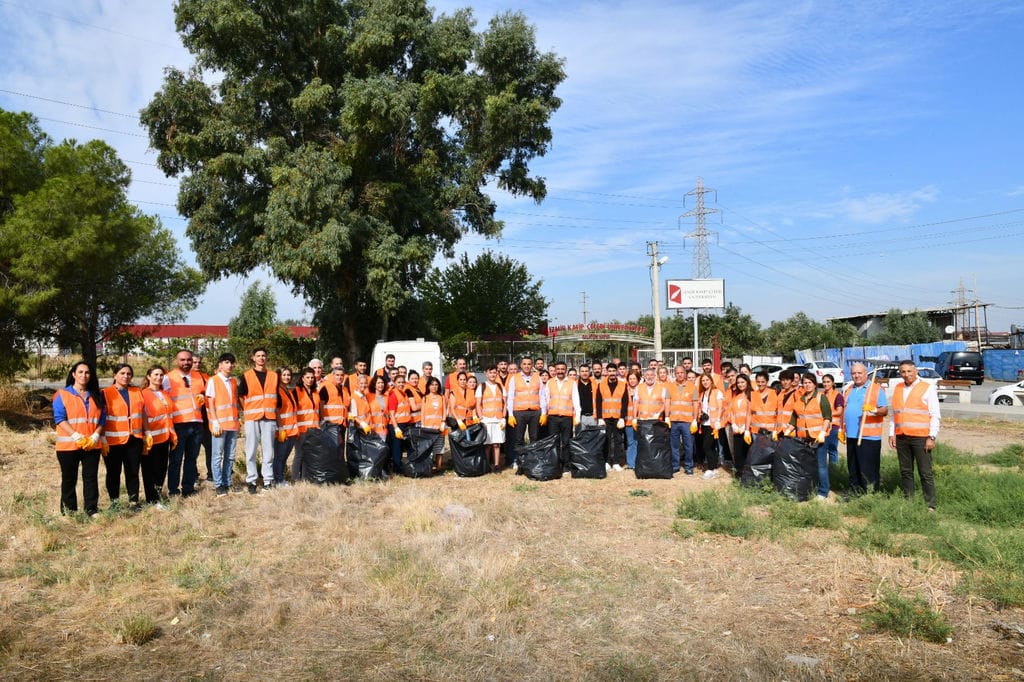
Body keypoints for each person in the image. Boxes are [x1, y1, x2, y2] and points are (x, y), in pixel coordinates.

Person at [53, 361, 105, 516]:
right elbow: (59, 418)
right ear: (74, 374)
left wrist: (96, 435)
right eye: (80, 372)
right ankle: (70, 511)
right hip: (68, 446)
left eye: (87, 372)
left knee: (90, 478)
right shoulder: (62, 394)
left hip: (91, 445)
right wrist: (75, 435)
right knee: (69, 479)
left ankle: (91, 510)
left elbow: (102, 418)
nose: (84, 375)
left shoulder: (97, 395)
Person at [888, 360, 940, 511]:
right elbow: (894, 414)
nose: (906, 375)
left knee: (925, 472)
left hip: (921, 437)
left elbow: (935, 414)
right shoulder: (897, 388)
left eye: (909, 371)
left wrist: (932, 436)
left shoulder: (927, 388)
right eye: (903, 372)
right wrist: (892, 433)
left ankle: (930, 505)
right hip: (902, 437)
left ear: (915, 371)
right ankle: (908, 502)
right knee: (905, 471)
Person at [101, 364, 146, 507]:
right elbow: (100, 417)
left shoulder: (136, 391)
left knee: (132, 471)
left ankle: (134, 501)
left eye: (128, 374)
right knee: (113, 473)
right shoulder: (105, 393)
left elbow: (142, 413)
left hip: (134, 439)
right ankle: (114, 502)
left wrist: (147, 433)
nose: (126, 376)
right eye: (122, 373)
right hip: (113, 441)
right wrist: (102, 438)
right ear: (115, 375)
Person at [164, 350, 207, 498]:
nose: (186, 363)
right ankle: (173, 490)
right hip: (178, 424)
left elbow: (202, 393)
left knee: (191, 458)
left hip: (196, 424)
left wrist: (202, 396)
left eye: (189, 360)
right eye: (182, 360)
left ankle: (188, 488)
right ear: (177, 361)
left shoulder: (197, 377)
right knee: (176, 459)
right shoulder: (168, 378)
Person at [237, 348, 280, 493]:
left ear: (266, 358)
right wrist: (248, 410)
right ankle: (252, 481)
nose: (261, 358)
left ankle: (268, 480)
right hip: (252, 418)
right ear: (253, 358)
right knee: (251, 450)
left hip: (269, 417)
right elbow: (241, 396)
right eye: (258, 356)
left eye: (263, 356)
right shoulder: (246, 375)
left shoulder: (274, 376)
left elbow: (276, 397)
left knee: (268, 451)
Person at [843, 363, 888, 495]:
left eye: (859, 373)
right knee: (853, 467)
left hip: (868, 436)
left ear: (866, 373)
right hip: (852, 435)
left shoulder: (875, 389)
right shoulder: (849, 389)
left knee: (868, 468)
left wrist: (874, 410)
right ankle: (854, 491)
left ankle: (870, 494)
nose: (856, 376)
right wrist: (842, 430)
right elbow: (845, 410)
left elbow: (884, 410)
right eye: (853, 373)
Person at [789, 373, 832, 502]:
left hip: (818, 438)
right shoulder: (800, 400)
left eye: (810, 382)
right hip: (804, 439)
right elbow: (794, 419)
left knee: (821, 465)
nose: (807, 385)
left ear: (814, 384)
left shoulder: (821, 398)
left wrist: (823, 432)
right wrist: (787, 430)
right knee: (807, 465)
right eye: (805, 383)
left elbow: (827, 418)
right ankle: (811, 487)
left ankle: (823, 491)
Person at [206, 353, 240, 496]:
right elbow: (210, 402)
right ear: (220, 365)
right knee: (217, 456)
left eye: (231, 363)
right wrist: (214, 421)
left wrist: (238, 419)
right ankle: (219, 484)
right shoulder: (213, 380)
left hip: (232, 424)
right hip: (219, 424)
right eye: (226, 362)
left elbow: (234, 403)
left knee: (230, 456)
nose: (229, 365)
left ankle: (227, 482)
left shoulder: (233, 381)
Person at [141, 365, 176, 504]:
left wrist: (172, 434)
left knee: (161, 469)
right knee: (150, 470)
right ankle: (151, 499)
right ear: (149, 376)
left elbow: (168, 416)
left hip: (164, 438)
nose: (159, 378)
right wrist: (145, 434)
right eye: (155, 375)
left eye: (161, 375)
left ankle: (158, 495)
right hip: (150, 439)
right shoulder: (143, 394)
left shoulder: (165, 394)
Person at [507, 357, 545, 470]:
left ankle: (533, 460)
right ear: (521, 366)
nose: (527, 366)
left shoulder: (537, 378)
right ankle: (519, 461)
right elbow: (510, 397)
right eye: (524, 364)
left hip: (535, 412)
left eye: (529, 364)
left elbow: (542, 396)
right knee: (519, 439)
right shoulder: (514, 378)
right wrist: (510, 414)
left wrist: (543, 413)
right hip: (519, 412)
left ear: (532, 365)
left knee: (534, 438)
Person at [547, 361, 581, 467]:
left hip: (567, 417)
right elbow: (547, 399)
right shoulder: (550, 382)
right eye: (558, 369)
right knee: (554, 441)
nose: (560, 371)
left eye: (562, 369)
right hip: (553, 417)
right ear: (555, 370)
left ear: (565, 370)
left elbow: (576, 400)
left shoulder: (572, 383)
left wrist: (578, 416)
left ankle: (566, 464)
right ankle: (556, 464)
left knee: (566, 442)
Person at [596, 363, 629, 471]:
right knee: (606, 440)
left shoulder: (623, 385)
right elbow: (598, 402)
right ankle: (607, 461)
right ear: (607, 372)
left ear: (617, 372)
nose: (612, 373)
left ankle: (616, 462)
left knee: (618, 440)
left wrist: (622, 418)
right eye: (609, 371)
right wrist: (600, 418)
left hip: (617, 418)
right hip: (605, 418)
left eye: (613, 371)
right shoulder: (601, 384)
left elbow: (625, 402)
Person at [667, 364, 698, 475]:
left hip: (687, 421)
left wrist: (695, 419)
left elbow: (695, 404)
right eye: (677, 373)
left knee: (688, 445)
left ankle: (689, 466)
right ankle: (675, 465)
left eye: (681, 373)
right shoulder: (670, 386)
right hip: (674, 420)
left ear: (685, 373)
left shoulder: (692, 386)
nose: (680, 375)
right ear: (674, 374)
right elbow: (667, 402)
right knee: (674, 445)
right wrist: (666, 417)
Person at [478, 366, 507, 471]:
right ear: (486, 374)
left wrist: (503, 417)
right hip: (487, 419)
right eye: (491, 373)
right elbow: (478, 404)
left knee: (496, 444)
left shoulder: (501, 387)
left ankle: (496, 465)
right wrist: (481, 418)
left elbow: (505, 403)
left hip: (498, 419)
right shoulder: (482, 386)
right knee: (487, 444)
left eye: (494, 373)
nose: (493, 375)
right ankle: (487, 464)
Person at [696, 373, 725, 478]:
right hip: (704, 424)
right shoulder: (701, 394)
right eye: (703, 381)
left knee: (706, 446)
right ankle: (714, 466)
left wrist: (718, 420)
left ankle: (711, 468)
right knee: (710, 446)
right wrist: (700, 415)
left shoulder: (717, 392)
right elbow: (700, 408)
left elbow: (721, 408)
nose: (705, 382)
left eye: (707, 380)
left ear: (711, 381)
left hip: (713, 424)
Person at [273, 367, 298, 487]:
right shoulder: (277, 391)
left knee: (284, 457)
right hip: (282, 430)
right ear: (279, 376)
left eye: (288, 375)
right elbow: (276, 411)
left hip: (291, 430)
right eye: (284, 375)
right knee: (279, 456)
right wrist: (280, 427)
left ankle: (280, 477)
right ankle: (278, 480)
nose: (287, 377)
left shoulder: (288, 390)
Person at [387, 374, 416, 472]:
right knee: (397, 448)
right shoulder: (393, 394)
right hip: (397, 425)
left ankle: (404, 466)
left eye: (403, 382)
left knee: (404, 446)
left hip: (405, 424)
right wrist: (396, 428)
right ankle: (397, 469)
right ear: (394, 383)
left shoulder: (404, 394)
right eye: (398, 382)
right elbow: (391, 413)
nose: (401, 384)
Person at [419, 376, 447, 472]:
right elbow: (422, 412)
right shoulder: (425, 398)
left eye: (436, 385)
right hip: (428, 427)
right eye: (432, 385)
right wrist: (423, 425)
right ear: (428, 386)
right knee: (429, 448)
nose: (434, 387)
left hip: (439, 426)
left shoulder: (441, 397)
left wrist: (443, 422)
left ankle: (439, 466)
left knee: (439, 447)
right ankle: (429, 466)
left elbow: (444, 411)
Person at [728, 373, 753, 477]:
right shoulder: (736, 396)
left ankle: (747, 475)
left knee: (747, 452)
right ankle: (739, 473)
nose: (740, 384)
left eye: (742, 382)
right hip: (737, 429)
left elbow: (750, 412)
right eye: (738, 383)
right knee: (738, 452)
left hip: (747, 429)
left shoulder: (751, 395)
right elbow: (732, 411)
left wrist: (746, 428)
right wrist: (733, 424)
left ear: (747, 382)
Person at [820, 374, 845, 466]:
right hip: (822, 427)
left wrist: (825, 414)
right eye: (824, 382)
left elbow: (839, 412)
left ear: (833, 383)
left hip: (833, 427)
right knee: (822, 450)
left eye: (828, 382)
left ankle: (834, 471)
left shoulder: (837, 396)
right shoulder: (820, 395)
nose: (826, 384)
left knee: (832, 450)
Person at [624, 371, 641, 468]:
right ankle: (631, 464)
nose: (632, 380)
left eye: (634, 378)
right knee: (631, 442)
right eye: (630, 378)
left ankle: (639, 461)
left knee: (640, 442)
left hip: (640, 421)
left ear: (638, 379)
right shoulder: (625, 390)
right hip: (628, 421)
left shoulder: (642, 390)